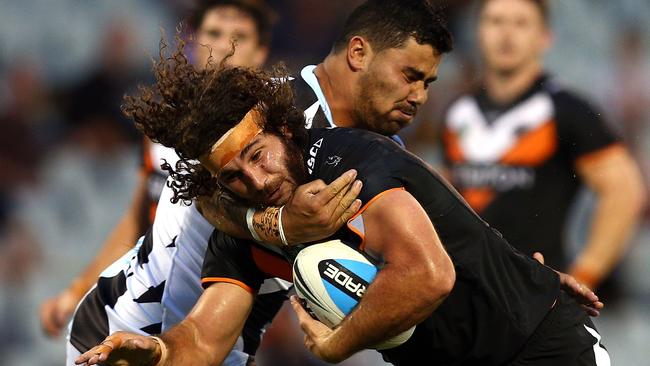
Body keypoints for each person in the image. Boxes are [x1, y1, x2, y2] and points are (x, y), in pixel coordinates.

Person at [76, 58, 608, 366]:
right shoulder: (245, 233)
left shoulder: (350, 158)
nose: (256, 182)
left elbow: (428, 275)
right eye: (234, 176)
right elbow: (204, 339)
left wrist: (336, 346)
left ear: (283, 130)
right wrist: (159, 353)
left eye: (258, 156)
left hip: (539, 342)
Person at [39, 0, 279, 341]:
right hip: (143, 309)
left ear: (260, 53)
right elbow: (137, 220)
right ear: (193, 44)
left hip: (214, 319)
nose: (224, 44)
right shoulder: (162, 125)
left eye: (239, 36)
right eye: (213, 32)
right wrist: (77, 289)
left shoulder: (268, 139)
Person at [440, 0, 647, 289]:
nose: (507, 34)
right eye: (495, 21)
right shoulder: (457, 111)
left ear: (545, 37)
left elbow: (625, 190)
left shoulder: (566, 108)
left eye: (521, 23)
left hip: (538, 296)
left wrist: (585, 275)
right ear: (477, 32)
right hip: (464, 290)